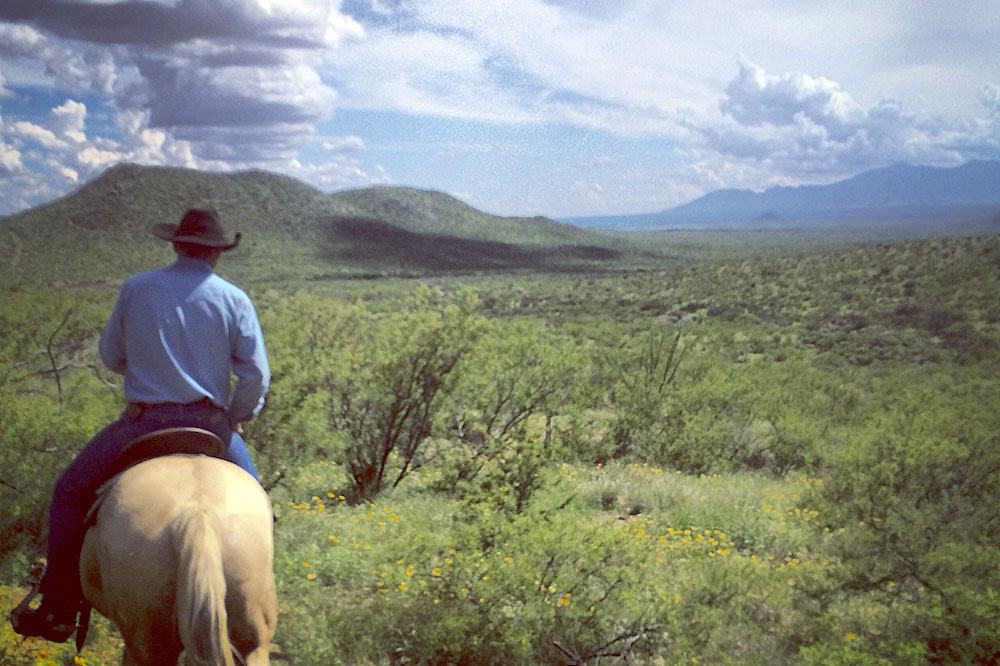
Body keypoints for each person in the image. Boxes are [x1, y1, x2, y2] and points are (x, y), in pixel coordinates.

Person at [11, 209, 270, 643]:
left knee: (69, 492)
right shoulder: (234, 298)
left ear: (175, 244)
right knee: (260, 506)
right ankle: (255, 599)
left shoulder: (137, 289)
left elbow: (111, 357)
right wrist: (236, 417)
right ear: (217, 254)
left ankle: (57, 606)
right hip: (212, 427)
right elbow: (256, 376)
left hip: (142, 425)